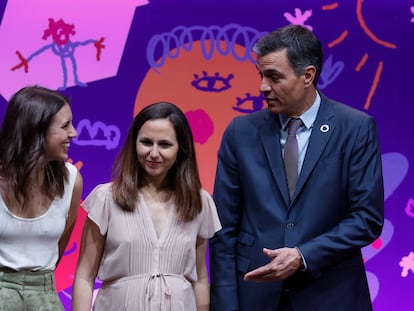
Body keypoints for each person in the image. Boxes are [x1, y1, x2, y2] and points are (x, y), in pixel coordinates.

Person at [209, 24, 384, 311]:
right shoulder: (240, 132)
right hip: (255, 298)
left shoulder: (355, 128)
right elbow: (223, 231)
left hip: (332, 295)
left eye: (274, 77)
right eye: (261, 75)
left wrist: (303, 255)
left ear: (308, 75)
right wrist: (226, 305)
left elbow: (367, 218)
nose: (263, 87)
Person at [72, 101, 221, 310]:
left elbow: (200, 278)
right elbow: (84, 277)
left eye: (164, 144)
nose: (153, 153)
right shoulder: (106, 198)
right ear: (134, 144)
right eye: (146, 142)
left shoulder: (199, 202)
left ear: (181, 149)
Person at [0, 85, 83, 310]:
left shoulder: (71, 180)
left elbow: (60, 245)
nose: (73, 133)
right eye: (65, 126)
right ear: (36, 130)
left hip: (44, 296)